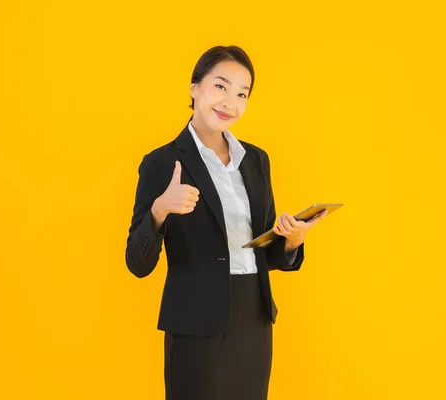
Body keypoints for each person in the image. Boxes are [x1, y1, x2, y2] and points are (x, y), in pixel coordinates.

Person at [125, 45, 327, 400]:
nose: (229, 102)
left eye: (241, 93)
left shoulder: (256, 160)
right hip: (196, 324)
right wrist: (159, 210)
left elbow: (266, 250)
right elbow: (137, 263)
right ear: (194, 88)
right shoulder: (161, 163)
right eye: (220, 86)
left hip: (253, 318)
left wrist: (293, 239)